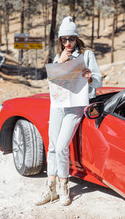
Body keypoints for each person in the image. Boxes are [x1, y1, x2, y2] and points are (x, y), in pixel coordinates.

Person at [36, 16, 102, 206]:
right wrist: (59, 64)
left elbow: (99, 80)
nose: (67, 43)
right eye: (63, 40)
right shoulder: (59, 56)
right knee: (52, 147)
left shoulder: (87, 55)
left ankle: (64, 187)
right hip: (58, 105)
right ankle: (51, 188)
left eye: (70, 39)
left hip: (76, 105)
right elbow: (53, 82)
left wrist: (89, 77)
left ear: (76, 38)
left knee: (63, 146)